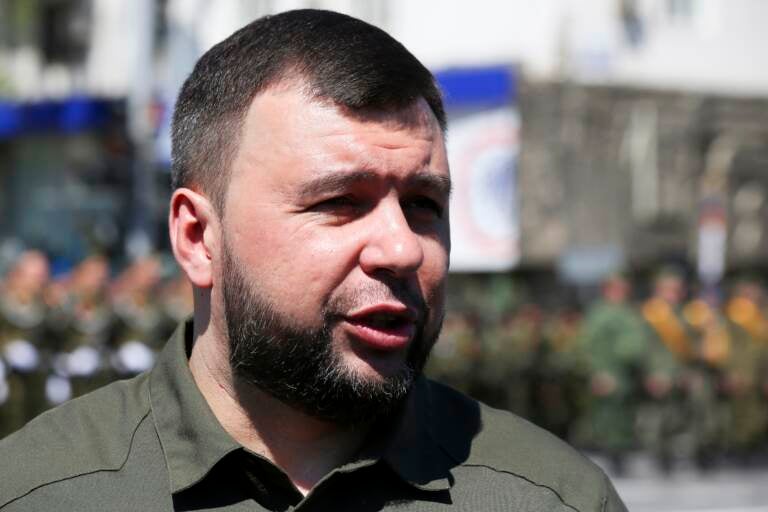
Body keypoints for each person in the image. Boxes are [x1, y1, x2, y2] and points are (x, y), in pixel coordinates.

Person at [0, 10, 626, 511]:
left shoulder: (546, 497)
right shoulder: (45, 491)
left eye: (424, 204)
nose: (403, 248)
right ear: (197, 238)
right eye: (339, 202)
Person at [577, 274, 647, 474]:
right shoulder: (600, 314)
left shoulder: (629, 311)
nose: (623, 292)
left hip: (629, 376)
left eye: (625, 288)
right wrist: (598, 373)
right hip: (610, 374)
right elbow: (588, 347)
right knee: (610, 420)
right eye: (618, 288)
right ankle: (613, 458)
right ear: (607, 290)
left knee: (626, 419)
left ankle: (621, 456)